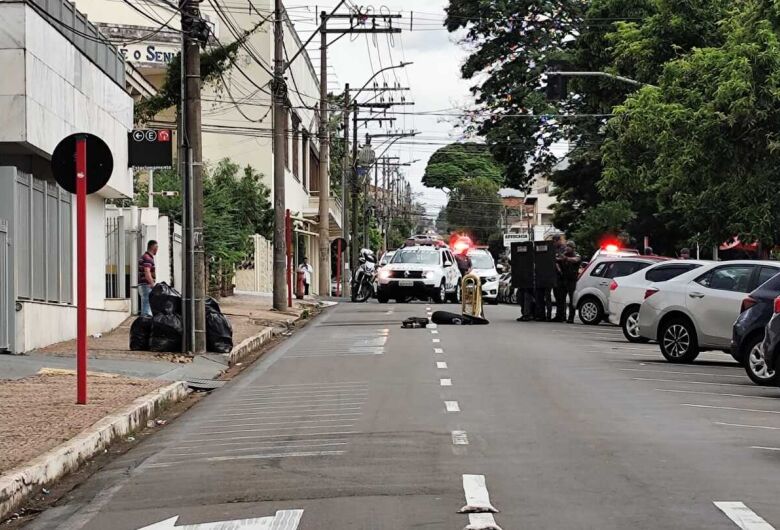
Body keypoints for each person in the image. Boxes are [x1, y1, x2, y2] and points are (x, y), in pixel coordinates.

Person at [559, 241, 582, 323]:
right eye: (567, 246)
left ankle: (570, 318)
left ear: (573, 248)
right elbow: (557, 260)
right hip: (564, 279)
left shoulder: (576, 255)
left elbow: (575, 260)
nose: (567, 248)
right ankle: (562, 316)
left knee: (572, 300)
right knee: (561, 299)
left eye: (569, 246)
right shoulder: (564, 254)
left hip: (572, 281)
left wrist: (565, 258)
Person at [138, 240, 158, 317]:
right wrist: (152, 284)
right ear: (153, 247)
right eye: (157, 247)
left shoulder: (144, 256)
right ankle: (144, 327)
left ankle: (143, 326)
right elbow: (147, 272)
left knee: (145, 307)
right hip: (146, 285)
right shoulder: (148, 258)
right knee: (146, 311)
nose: (157, 249)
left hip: (143, 285)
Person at [551, 235, 567, 322]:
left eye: (555, 241)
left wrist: (555, 259)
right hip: (556, 276)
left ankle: (561, 315)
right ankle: (559, 315)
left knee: (561, 297)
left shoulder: (564, 248)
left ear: (558, 241)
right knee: (558, 297)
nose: (554, 243)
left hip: (562, 277)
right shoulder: (555, 249)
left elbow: (562, 259)